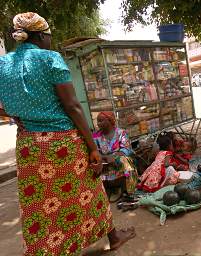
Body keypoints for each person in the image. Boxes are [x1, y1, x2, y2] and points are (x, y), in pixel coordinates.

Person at [0, 12, 135, 255]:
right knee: (90, 191)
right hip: (61, 143)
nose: (50, 41)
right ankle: (113, 238)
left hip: (29, 146)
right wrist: (93, 147)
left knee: (39, 205)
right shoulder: (50, 58)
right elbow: (72, 106)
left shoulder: (3, 64)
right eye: (49, 36)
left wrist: (17, 116)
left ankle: (47, 250)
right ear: (41, 35)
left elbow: (4, 105)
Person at [93, 111, 138, 195]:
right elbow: (94, 151)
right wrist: (105, 157)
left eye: (100, 121)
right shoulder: (95, 136)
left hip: (118, 161)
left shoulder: (121, 133)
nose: (98, 124)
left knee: (126, 162)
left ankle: (130, 192)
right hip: (104, 163)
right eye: (97, 121)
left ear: (109, 120)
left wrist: (114, 156)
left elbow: (126, 149)